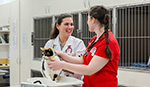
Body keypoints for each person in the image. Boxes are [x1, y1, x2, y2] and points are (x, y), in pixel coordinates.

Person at [48, 5, 120, 87]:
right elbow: (82, 60)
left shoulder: (108, 42)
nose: (87, 22)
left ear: (93, 20)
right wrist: (61, 55)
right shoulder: (94, 40)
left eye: (88, 19)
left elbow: (90, 70)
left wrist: (62, 65)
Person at [44, 13, 86, 79]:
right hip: (54, 83)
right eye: (66, 24)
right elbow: (44, 66)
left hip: (72, 84)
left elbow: (82, 68)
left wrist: (61, 66)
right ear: (58, 26)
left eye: (71, 24)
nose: (70, 27)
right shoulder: (50, 44)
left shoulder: (78, 43)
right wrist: (69, 64)